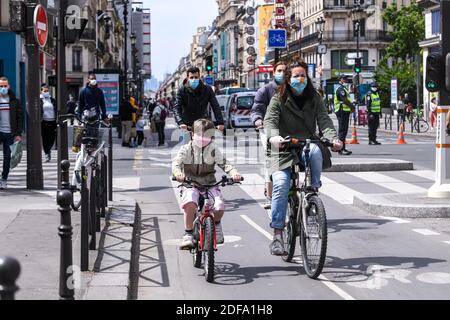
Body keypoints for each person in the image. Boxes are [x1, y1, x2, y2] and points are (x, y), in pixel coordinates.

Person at [264, 57, 342, 255]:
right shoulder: (278, 98)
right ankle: (278, 235)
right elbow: (270, 121)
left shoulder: (314, 97)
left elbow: (324, 120)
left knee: (315, 151)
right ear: (288, 79)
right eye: (296, 76)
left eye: (303, 75)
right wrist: (274, 137)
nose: (300, 79)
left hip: (306, 143)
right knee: (281, 185)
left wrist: (333, 139)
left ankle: (312, 192)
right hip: (282, 147)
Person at [172, 118, 242, 249]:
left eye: (207, 135)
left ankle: (216, 224)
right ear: (192, 134)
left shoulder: (213, 149)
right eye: (199, 134)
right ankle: (188, 234)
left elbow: (225, 164)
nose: (203, 138)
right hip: (190, 183)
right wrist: (178, 174)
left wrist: (234, 174)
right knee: (190, 203)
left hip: (209, 183)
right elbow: (176, 163)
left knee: (219, 205)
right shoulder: (186, 149)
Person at [250, 60, 287, 210]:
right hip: (268, 130)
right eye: (279, 70)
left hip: (287, 130)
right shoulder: (265, 90)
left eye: (285, 71)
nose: (282, 73)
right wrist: (258, 120)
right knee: (272, 159)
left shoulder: (290, 89)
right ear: (273, 72)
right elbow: (256, 109)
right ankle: (270, 195)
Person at [173, 67, 224, 134]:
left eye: (196, 77)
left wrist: (220, 122)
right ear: (188, 78)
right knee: (186, 143)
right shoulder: (182, 90)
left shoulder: (207, 89)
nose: (194, 79)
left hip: (203, 124)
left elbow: (215, 106)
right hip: (187, 125)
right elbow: (177, 107)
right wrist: (180, 123)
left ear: (199, 77)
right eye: (191, 77)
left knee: (207, 143)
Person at [0, 76, 23, 190]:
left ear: (8, 86)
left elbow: (19, 118)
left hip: (10, 133)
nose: (3, 88)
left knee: (7, 157)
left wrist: (18, 134)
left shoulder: (14, 101)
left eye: (5, 86)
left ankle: (4, 179)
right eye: (1, 86)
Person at [334, 74, 354, 155]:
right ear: (340, 80)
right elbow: (344, 99)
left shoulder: (344, 89)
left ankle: (342, 148)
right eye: (344, 79)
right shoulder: (340, 89)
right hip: (341, 111)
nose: (346, 80)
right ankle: (341, 149)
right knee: (342, 131)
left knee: (344, 131)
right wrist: (351, 106)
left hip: (344, 111)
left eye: (346, 79)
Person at [40, 84, 58, 162]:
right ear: (41, 91)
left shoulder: (53, 100)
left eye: (47, 91)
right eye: (45, 91)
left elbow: (56, 109)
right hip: (44, 122)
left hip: (53, 121)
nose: (46, 92)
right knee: (45, 138)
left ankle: (48, 149)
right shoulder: (39, 100)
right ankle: (47, 153)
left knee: (52, 138)